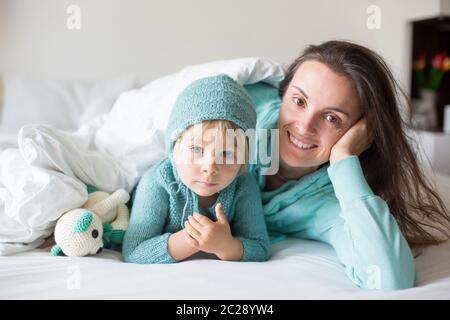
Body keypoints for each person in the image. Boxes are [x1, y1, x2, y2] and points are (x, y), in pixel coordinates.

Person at [245, 40, 450, 290]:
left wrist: (343, 156)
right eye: (299, 101)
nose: (305, 126)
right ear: (283, 93)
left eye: (332, 118)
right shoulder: (239, 118)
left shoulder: (330, 203)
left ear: (360, 132)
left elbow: (389, 279)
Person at [122, 74, 270, 263]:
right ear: (174, 149)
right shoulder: (157, 182)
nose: (210, 167)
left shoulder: (243, 184)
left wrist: (226, 246)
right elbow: (134, 251)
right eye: (196, 149)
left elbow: (260, 247)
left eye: (226, 154)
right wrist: (194, 239)